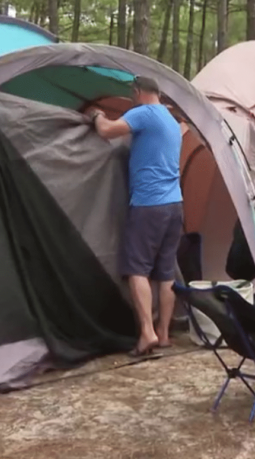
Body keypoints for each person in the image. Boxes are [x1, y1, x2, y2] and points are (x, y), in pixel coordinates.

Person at [88, 76, 183, 357]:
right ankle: (164, 334)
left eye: (132, 93)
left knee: (136, 269)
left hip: (149, 204)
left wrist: (96, 115)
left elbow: (106, 132)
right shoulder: (170, 119)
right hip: (175, 204)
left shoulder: (143, 112)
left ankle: (147, 333)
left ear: (138, 91)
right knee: (165, 272)